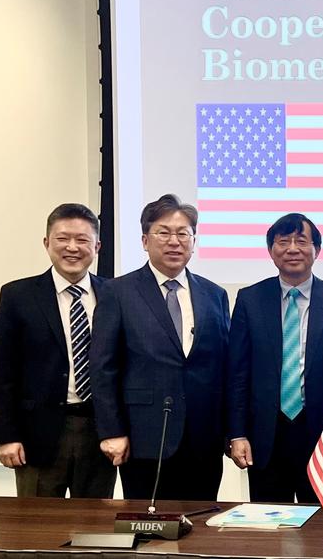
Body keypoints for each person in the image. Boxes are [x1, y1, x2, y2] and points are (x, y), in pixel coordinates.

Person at [89, 194, 230, 500]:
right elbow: (103, 368)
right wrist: (112, 431)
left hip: (203, 439)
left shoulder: (214, 294)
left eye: (183, 234)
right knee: (146, 530)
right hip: (144, 437)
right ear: (144, 240)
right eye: (163, 232)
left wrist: (232, 432)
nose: (174, 241)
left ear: (194, 242)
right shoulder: (118, 292)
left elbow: (224, 370)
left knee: (201, 528)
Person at [227, 213, 323, 502]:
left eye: (301, 241)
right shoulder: (249, 300)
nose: (292, 248)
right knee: (268, 528)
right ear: (271, 251)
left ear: (317, 250)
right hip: (266, 435)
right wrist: (237, 434)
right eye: (283, 241)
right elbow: (237, 375)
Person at [0, 203, 116, 497]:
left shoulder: (114, 295)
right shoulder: (17, 296)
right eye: (63, 238)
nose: (72, 247)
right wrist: (5, 436)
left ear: (96, 245)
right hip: (37, 436)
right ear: (47, 243)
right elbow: (1, 373)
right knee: (36, 529)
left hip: (99, 433)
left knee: (94, 529)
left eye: (82, 239)